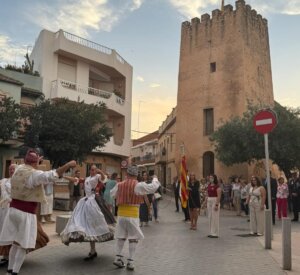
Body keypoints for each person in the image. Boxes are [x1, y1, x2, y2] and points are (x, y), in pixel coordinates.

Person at [0, 149, 76, 275]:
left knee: (14, 243)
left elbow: (30, 167)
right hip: (25, 212)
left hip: (12, 210)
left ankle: (9, 271)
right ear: (35, 163)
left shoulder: (19, 170)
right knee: (22, 246)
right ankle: (14, 273)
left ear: (25, 161)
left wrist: (36, 161)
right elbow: (52, 175)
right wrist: (67, 165)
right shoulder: (34, 175)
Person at [110, 165, 160, 271]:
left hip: (121, 215)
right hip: (132, 215)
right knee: (133, 237)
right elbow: (153, 188)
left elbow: (112, 195)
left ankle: (117, 258)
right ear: (136, 175)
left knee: (121, 236)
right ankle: (131, 262)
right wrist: (155, 178)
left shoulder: (120, 184)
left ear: (127, 174)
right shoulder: (138, 185)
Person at [61, 165, 115, 260]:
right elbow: (75, 180)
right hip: (86, 202)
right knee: (86, 225)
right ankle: (92, 250)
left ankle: (93, 251)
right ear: (89, 170)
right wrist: (63, 176)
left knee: (93, 225)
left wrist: (100, 171)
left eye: (94, 169)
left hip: (94, 202)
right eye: (92, 169)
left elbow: (103, 178)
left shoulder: (97, 177)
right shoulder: (87, 178)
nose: (93, 171)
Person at [0, 164, 17, 267]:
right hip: (4, 210)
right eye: (10, 169)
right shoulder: (4, 181)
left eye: (13, 169)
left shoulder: (21, 182)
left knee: (14, 233)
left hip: (15, 209)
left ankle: (14, 256)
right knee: (3, 232)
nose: (11, 170)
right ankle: (6, 256)